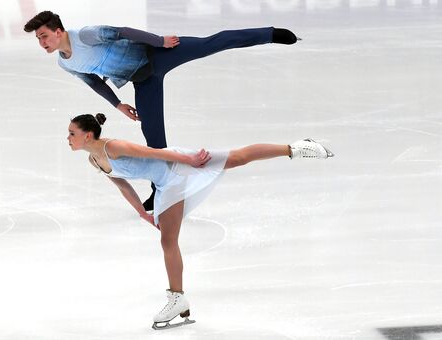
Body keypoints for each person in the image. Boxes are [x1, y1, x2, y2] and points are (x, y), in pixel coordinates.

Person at [67, 113, 334, 329]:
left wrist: (188, 159)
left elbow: (153, 152)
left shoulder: (112, 147)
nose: (68, 138)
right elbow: (122, 185)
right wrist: (141, 212)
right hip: (165, 180)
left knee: (169, 239)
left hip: (174, 169)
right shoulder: (95, 160)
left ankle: (297, 148)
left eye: (72, 133)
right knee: (234, 162)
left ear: (87, 135)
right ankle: (178, 297)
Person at [25, 11, 300, 212]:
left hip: (157, 53)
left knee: (210, 43)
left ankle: (269, 34)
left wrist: (159, 41)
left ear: (58, 31)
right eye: (39, 39)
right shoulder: (66, 64)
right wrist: (118, 104)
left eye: (44, 36)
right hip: (143, 80)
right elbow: (94, 82)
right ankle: (160, 190)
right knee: (154, 138)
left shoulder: (85, 35)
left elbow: (123, 31)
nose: (42, 43)